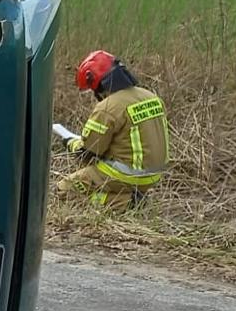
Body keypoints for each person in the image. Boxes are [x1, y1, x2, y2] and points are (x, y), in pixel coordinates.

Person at [55, 50, 168, 210]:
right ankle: (131, 197)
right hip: (154, 174)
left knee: (64, 189)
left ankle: (126, 203)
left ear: (96, 83)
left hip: (125, 175)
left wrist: (70, 142)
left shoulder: (107, 108)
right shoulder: (150, 97)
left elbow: (88, 153)